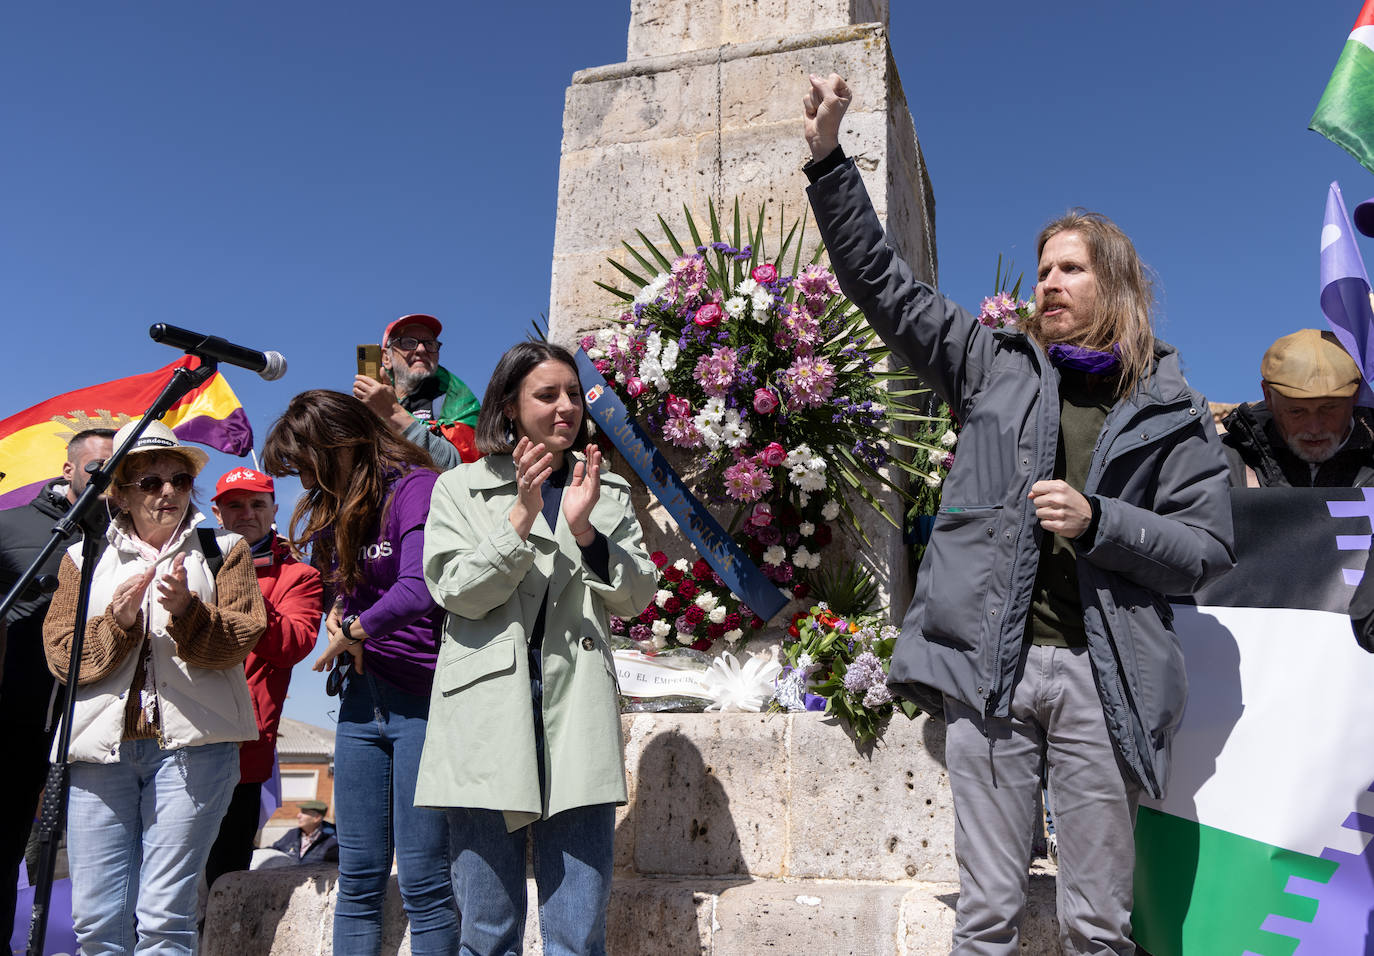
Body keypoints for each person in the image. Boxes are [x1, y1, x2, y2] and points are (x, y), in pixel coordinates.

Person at [801, 74, 1236, 954]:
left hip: (1099, 680)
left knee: (1098, 925)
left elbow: (1208, 549)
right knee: (987, 917)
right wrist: (827, 163)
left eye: (1069, 268)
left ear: (1115, 284)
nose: (1049, 284)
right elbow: (881, 284)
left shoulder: (1175, 410)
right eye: (1041, 270)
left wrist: (1100, 520)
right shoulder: (989, 365)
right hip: (992, 676)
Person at [417, 341, 658, 956]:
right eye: (547, 394)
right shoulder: (459, 488)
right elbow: (454, 591)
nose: (566, 407)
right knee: (488, 931)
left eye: (574, 394)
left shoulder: (606, 493)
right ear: (509, 404)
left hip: (576, 711)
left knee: (578, 935)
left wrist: (584, 529)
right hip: (483, 716)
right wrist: (520, 519)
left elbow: (635, 596)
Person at [42, 419, 266, 955]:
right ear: (119, 493)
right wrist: (118, 624)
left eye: (179, 480)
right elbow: (59, 653)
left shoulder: (225, 547)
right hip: (100, 752)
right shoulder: (82, 557)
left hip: (194, 751)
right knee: (96, 922)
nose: (167, 491)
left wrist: (188, 612)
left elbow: (242, 636)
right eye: (149, 482)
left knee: (165, 917)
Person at [262, 389, 456, 956]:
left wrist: (355, 630)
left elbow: (420, 588)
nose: (301, 481)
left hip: (421, 700)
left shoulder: (414, 487)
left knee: (423, 878)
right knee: (359, 876)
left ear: (339, 444)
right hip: (359, 703)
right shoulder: (332, 505)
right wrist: (337, 614)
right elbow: (344, 591)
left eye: (304, 464)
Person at [0, 427, 114, 937]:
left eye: (118, 468)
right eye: (96, 467)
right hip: (16, 720)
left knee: (94, 855)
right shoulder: (11, 527)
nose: (107, 478)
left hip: (97, 720)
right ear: (68, 469)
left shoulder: (128, 536)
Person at [203, 467, 323, 891]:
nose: (246, 513)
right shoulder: (188, 560)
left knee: (223, 882)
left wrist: (242, 586)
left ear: (274, 508)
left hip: (244, 750)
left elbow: (293, 644)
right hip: (177, 741)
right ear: (217, 512)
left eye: (257, 504)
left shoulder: (300, 576)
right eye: (235, 504)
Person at [1220, 328, 1374, 487]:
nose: (1314, 429)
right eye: (1297, 411)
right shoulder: (1222, 463)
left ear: (1356, 394)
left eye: (1329, 408)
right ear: (1268, 395)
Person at [353, 313, 482, 469]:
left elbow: (463, 467)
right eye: (408, 342)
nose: (421, 349)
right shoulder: (369, 406)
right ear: (386, 358)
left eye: (429, 343)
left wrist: (392, 413)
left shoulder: (455, 398)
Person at [269, 800, 339, 864]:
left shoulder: (333, 839)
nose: (298, 816)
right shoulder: (292, 834)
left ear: (317, 818)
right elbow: (274, 850)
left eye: (304, 812)